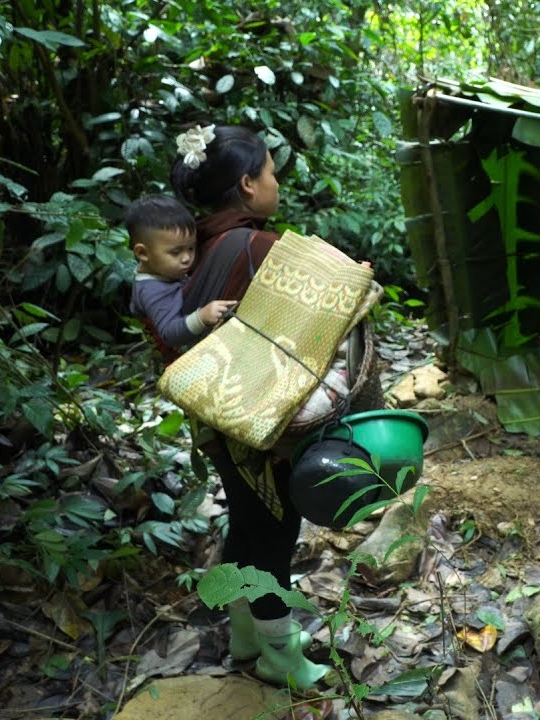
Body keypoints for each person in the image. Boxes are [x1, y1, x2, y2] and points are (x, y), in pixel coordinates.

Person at [170, 124, 331, 689]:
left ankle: (244, 635)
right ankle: (282, 657)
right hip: (253, 418)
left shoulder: (202, 244)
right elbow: (323, 316)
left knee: (247, 522)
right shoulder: (259, 247)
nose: (277, 182)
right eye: (270, 172)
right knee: (275, 533)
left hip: (214, 417)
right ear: (246, 183)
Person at [126, 194, 237, 357]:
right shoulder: (151, 290)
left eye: (191, 248)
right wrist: (201, 317)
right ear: (142, 253)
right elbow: (170, 335)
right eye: (176, 252)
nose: (186, 258)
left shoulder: (163, 271)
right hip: (178, 363)